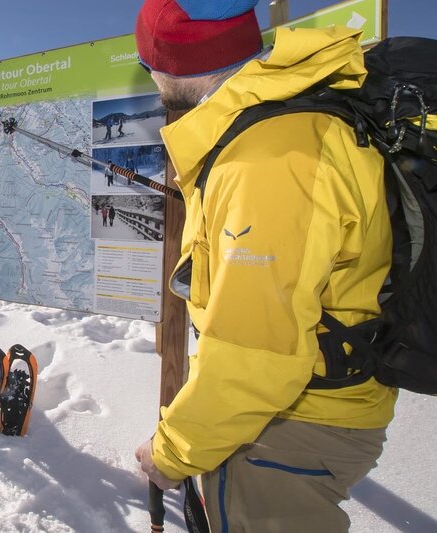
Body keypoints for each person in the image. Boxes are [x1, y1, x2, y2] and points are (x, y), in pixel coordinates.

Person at [131, 1, 394, 531]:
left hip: (288, 430)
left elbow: (255, 357)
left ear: (174, 65)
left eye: (147, 64)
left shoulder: (264, 161)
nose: (151, 76)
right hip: (309, 412)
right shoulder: (284, 125)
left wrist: (171, 453)